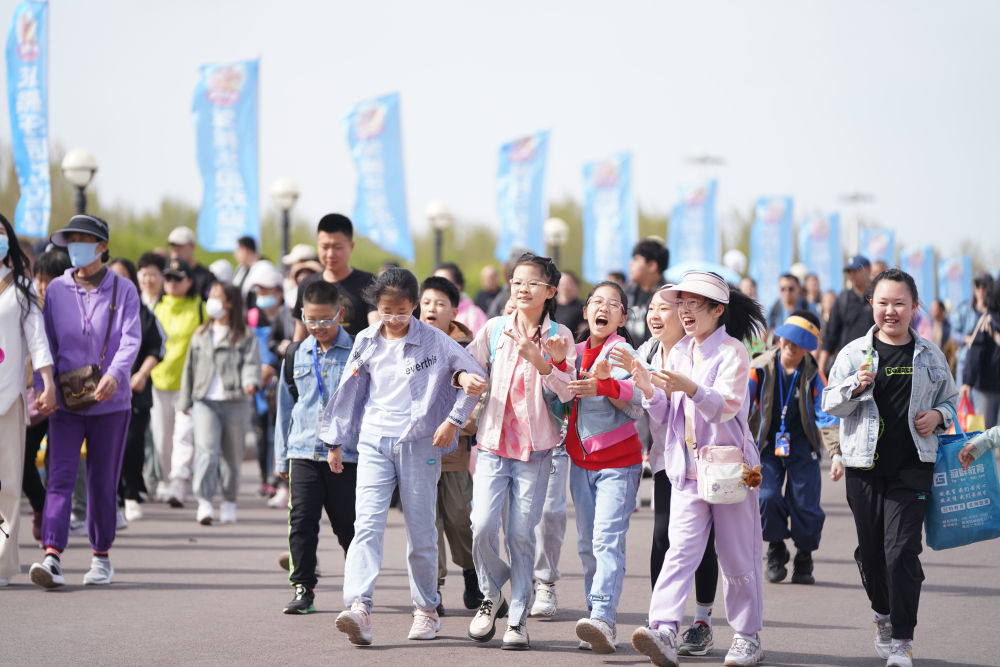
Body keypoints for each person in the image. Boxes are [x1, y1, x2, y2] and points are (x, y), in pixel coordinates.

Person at [324, 268, 485, 645]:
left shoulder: (434, 341)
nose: (393, 319)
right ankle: (359, 607)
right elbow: (348, 392)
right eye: (385, 310)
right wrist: (334, 441)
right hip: (373, 441)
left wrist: (452, 421)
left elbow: (474, 377)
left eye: (401, 311)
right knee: (366, 524)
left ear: (413, 305)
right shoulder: (365, 339)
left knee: (421, 529)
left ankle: (427, 610)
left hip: (418, 443)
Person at [629, 271, 767, 667]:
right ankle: (665, 630)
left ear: (717, 310)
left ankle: (747, 636)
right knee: (680, 553)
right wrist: (648, 388)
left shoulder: (733, 352)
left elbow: (726, 406)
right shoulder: (678, 350)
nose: (684, 311)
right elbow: (664, 414)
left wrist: (689, 387)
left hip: (728, 471)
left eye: (694, 304)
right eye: (682, 303)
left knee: (738, 558)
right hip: (685, 472)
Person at [822, 268, 957, 667]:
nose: (891, 311)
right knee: (873, 555)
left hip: (912, 468)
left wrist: (938, 415)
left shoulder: (931, 355)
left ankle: (902, 641)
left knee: (902, 553)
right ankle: (882, 615)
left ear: (915, 307)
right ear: (871, 306)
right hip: (863, 469)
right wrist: (855, 387)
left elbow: (951, 400)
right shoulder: (852, 355)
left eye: (899, 303)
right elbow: (830, 404)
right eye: (883, 303)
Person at [465, 253, 577, 651]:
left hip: (537, 450)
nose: (522, 288)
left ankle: (517, 618)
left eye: (533, 283)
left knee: (520, 533)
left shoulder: (561, 336)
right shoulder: (495, 329)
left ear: (550, 292)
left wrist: (547, 364)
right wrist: (464, 377)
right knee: (480, 525)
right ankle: (492, 591)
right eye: (517, 281)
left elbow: (568, 396)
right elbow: (467, 367)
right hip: (493, 445)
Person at [30, 214, 141, 588]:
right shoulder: (57, 291)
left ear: (102, 247)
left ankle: (101, 557)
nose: (75, 246)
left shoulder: (123, 289)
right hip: (65, 401)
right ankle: (52, 555)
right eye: (71, 240)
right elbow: (45, 342)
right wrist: (40, 387)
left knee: (100, 481)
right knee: (59, 477)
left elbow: (131, 338)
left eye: (84, 239)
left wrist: (115, 375)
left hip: (111, 402)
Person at [610, 287, 720, 658]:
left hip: (703, 463)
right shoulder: (647, 352)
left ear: (686, 314)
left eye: (665, 309)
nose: (655, 315)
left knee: (701, 543)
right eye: (652, 309)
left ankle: (702, 622)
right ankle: (662, 624)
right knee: (663, 539)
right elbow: (630, 396)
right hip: (664, 461)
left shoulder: (699, 352)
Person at [562, 280, 643, 653]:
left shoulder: (623, 352)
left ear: (622, 316)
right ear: (585, 311)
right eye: (597, 301)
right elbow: (555, 395)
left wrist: (606, 385)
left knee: (606, 541)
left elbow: (637, 400)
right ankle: (594, 612)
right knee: (585, 544)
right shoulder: (572, 351)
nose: (604, 308)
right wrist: (553, 366)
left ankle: (603, 619)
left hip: (619, 465)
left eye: (613, 304)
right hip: (580, 464)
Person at [275, 279, 357, 615]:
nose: (319, 327)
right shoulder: (296, 352)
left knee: (349, 525)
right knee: (301, 520)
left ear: (340, 313)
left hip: (347, 454)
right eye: (311, 320)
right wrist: (281, 455)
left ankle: (358, 588)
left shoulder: (358, 350)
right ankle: (302, 588)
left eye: (326, 319)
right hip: (303, 452)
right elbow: (285, 407)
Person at [748, 311, 840, 586]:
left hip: (802, 445)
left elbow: (826, 414)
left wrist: (836, 453)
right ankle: (776, 547)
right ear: (779, 338)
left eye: (798, 342)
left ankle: (804, 554)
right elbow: (738, 406)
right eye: (786, 339)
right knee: (766, 496)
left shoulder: (814, 374)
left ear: (808, 346)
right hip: (767, 443)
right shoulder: (759, 368)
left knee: (805, 503)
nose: (790, 345)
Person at [418, 276, 483, 614]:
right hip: (419, 452)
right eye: (427, 302)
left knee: (459, 517)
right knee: (428, 522)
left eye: (440, 303)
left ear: (454, 312)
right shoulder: (409, 344)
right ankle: (433, 589)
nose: (432, 309)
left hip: (455, 453)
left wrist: (462, 425)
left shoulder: (468, 349)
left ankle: (472, 576)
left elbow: (480, 397)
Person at [0, 216, 57, 586]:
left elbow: (37, 340)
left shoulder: (21, 288)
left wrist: (47, 381)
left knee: (7, 483)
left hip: (8, 398)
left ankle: (3, 562)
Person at [179, 282, 260, 525]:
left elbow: (251, 363)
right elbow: (189, 368)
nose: (212, 301)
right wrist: (185, 400)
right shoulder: (201, 334)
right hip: (205, 401)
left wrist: (249, 382)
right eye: (211, 296)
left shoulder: (244, 334)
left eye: (217, 296)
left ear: (230, 303)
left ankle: (228, 501)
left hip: (235, 401)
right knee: (206, 451)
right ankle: (204, 501)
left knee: (232, 455)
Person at [108, 258, 165, 522]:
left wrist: (142, 373)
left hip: (135, 391)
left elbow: (157, 347)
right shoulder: (99, 308)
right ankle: (112, 496)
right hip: (103, 391)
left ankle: (131, 494)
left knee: (132, 443)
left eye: (123, 276)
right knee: (107, 445)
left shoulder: (143, 313)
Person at [150, 258, 205, 506]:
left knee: (184, 436)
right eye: (168, 278)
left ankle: (178, 482)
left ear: (190, 281)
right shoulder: (156, 307)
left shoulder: (200, 308)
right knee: (162, 437)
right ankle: (164, 479)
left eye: (177, 278)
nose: (171, 283)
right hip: (159, 380)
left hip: (189, 384)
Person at [292, 214, 378, 341]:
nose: (330, 254)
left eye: (338, 247)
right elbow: (300, 334)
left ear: (351, 246)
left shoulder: (368, 283)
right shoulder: (307, 284)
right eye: (325, 247)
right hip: (316, 359)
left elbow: (376, 330)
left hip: (357, 358)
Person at [819, 255, 874, 373]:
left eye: (856, 271)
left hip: (874, 362)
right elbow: (830, 337)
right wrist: (821, 372)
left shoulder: (879, 298)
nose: (852, 275)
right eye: (849, 272)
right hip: (847, 365)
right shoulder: (842, 299)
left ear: (868, 270)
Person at [960, 280, 1000, 429]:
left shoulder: (986, 320)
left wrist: (967, 382)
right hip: (987, 386)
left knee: (984, 434)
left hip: (986, 386)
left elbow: (975, 352)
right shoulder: (987, 320)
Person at [949, 272, 992, 392]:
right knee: (965, 405)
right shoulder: (964, 308)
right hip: (966, 362)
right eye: (978, 285)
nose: (981, 290)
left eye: (985, 286)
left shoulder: (995, 311)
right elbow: (953, 334)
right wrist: (968, 339)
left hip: (989, 367)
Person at [434, 262, 488, 335]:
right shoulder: (428, 314)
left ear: (458, 285)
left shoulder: (474, 315)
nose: (440, 288)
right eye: (435, 283)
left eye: (445, 282)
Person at [167, 225, 215, 299]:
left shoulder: (206, 277)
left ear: (192, 247)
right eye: (173, 246)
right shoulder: (166, 273)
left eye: (180, 245)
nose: (175, 250)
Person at [554, 270, 586, 338]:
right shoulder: (548, 306)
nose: (565, 287)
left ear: (576, 286)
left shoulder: (582, 308)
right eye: (562, 283)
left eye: (568, 283)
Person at [928, 299, 956, 372]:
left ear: (942, 310)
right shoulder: (928, 325)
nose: (932, 311)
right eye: (931, 309)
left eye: (935, 309)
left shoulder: (949, 328)